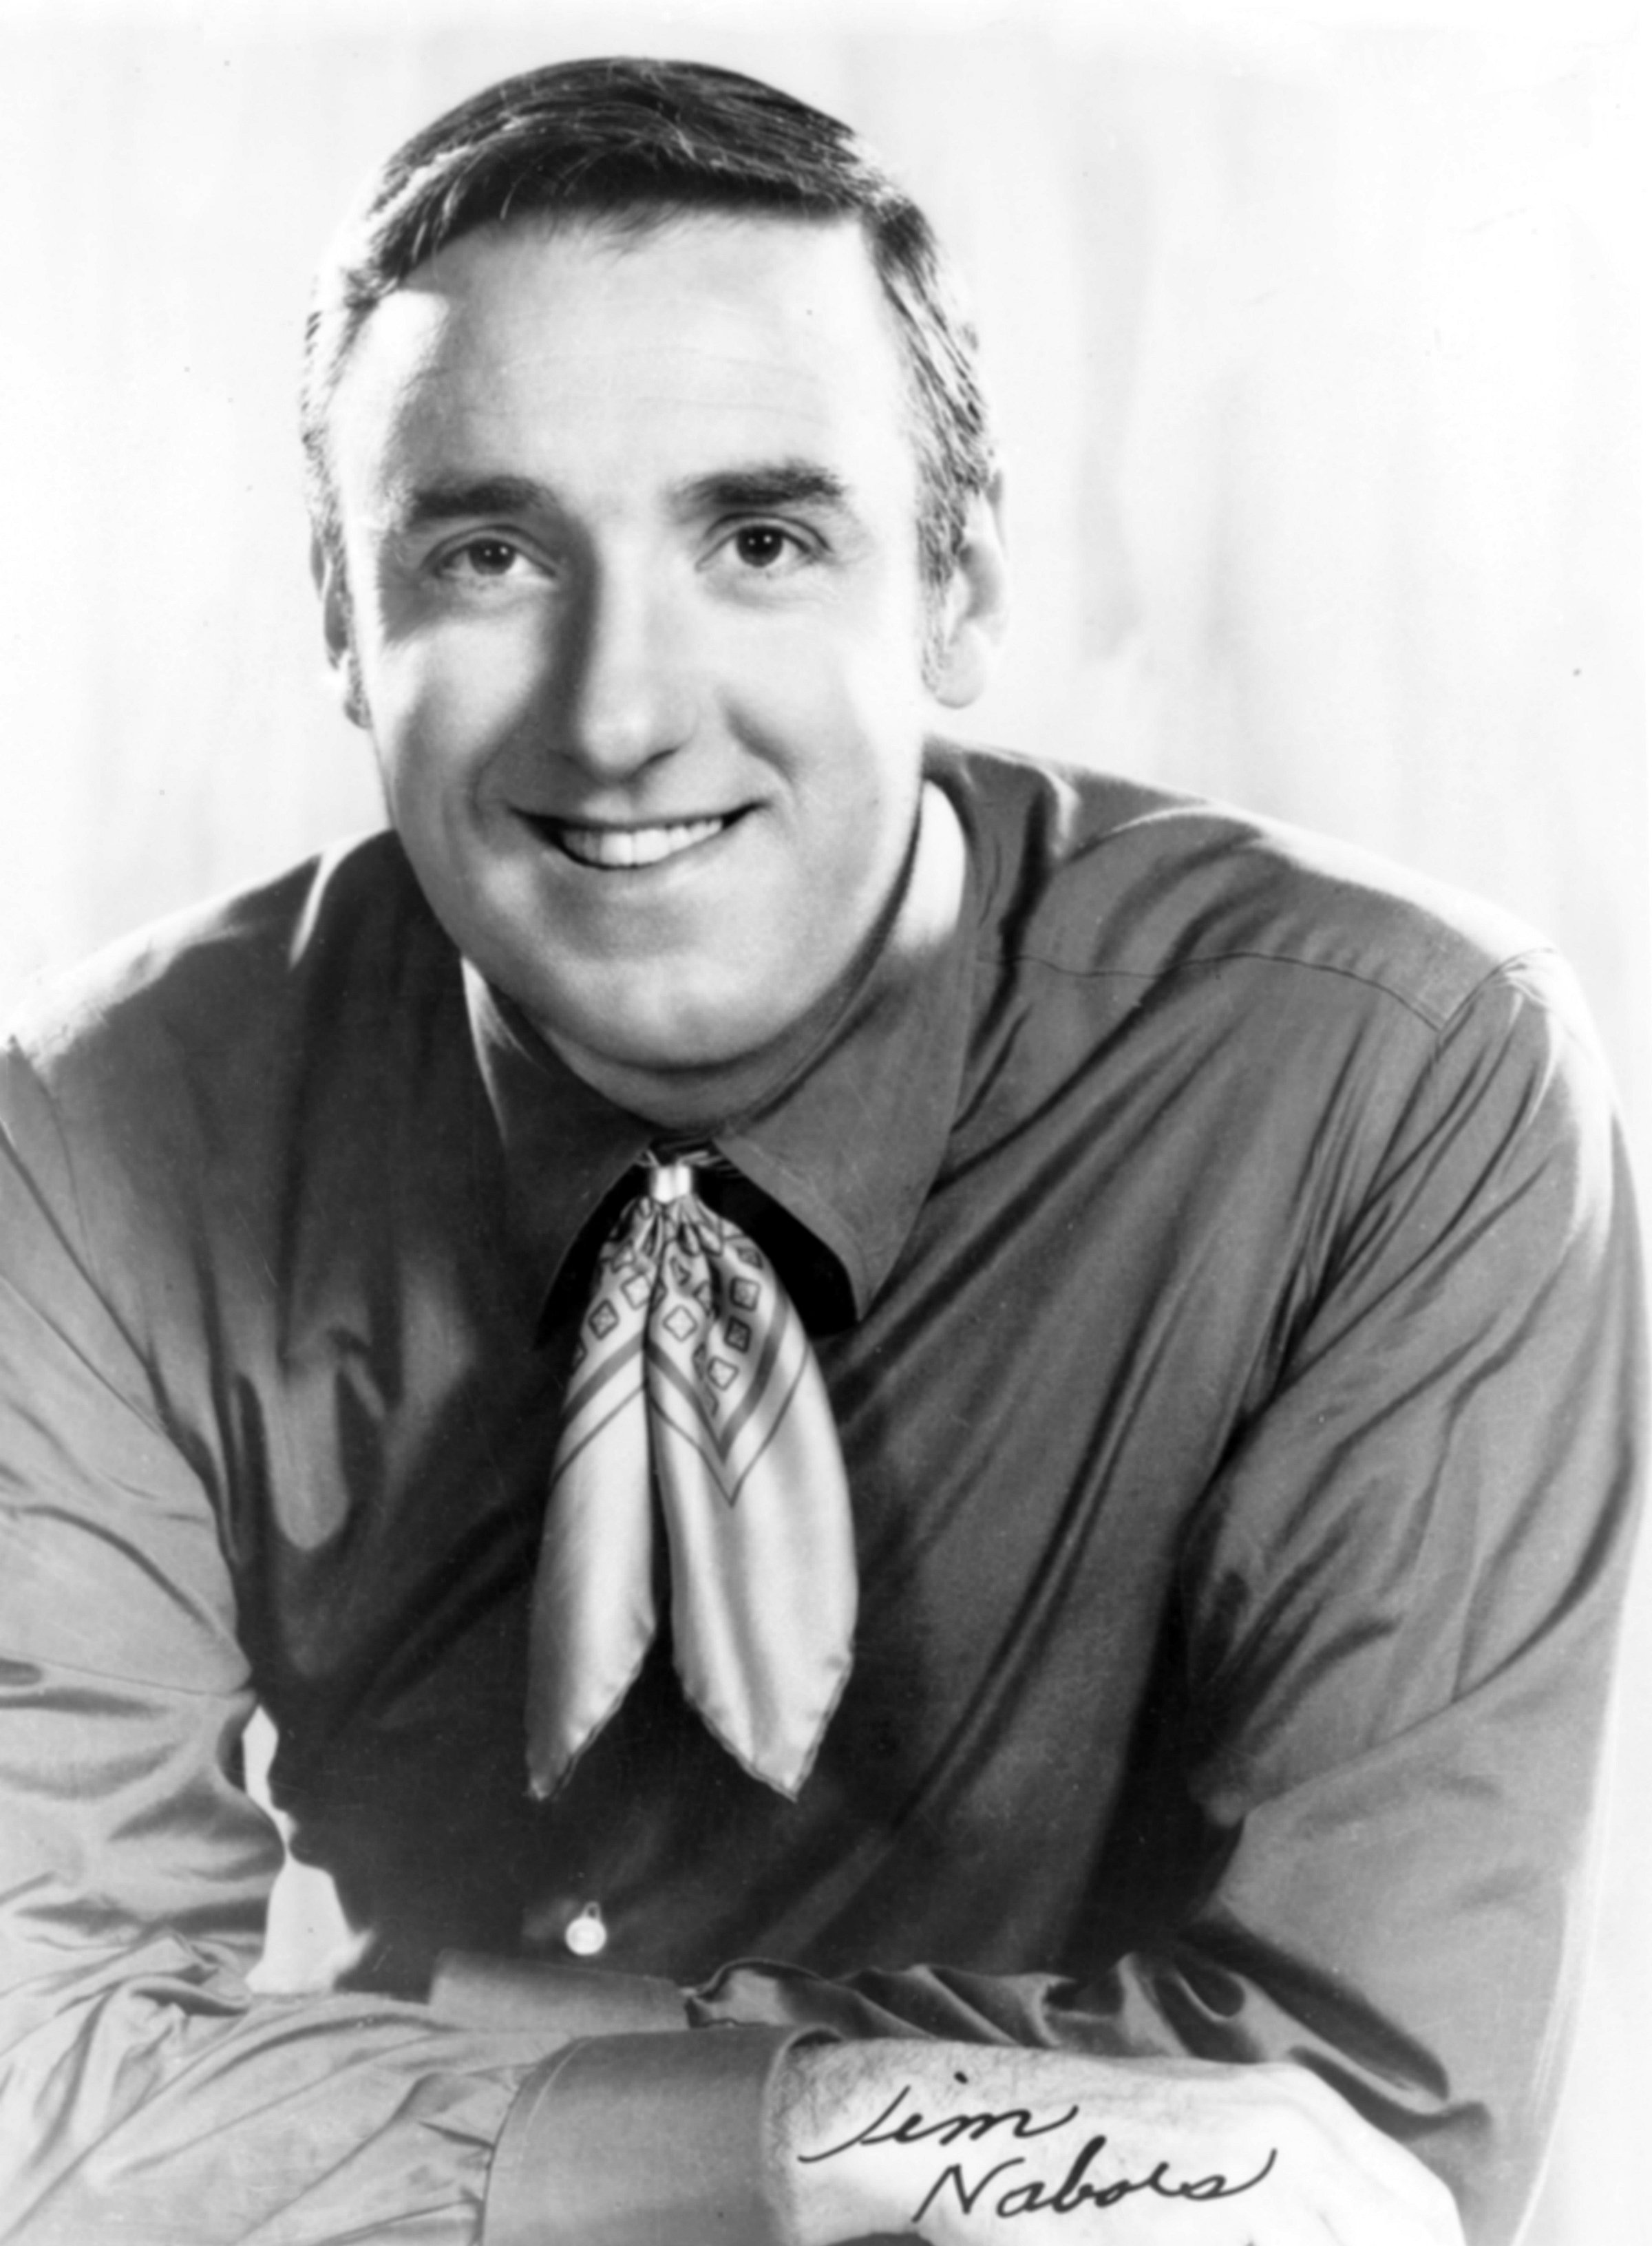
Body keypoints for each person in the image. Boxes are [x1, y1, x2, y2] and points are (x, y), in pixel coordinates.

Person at [0, 54, 1639, 2246]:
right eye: (486, 553)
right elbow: (28, 2079)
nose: (617, 713)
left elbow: (1358, 2161)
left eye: (761, 539)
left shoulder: (1394, 1083)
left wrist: (448, 2087)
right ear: (337, 621)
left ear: (954, 589)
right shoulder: (90, 1138)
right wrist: (828, 2136)